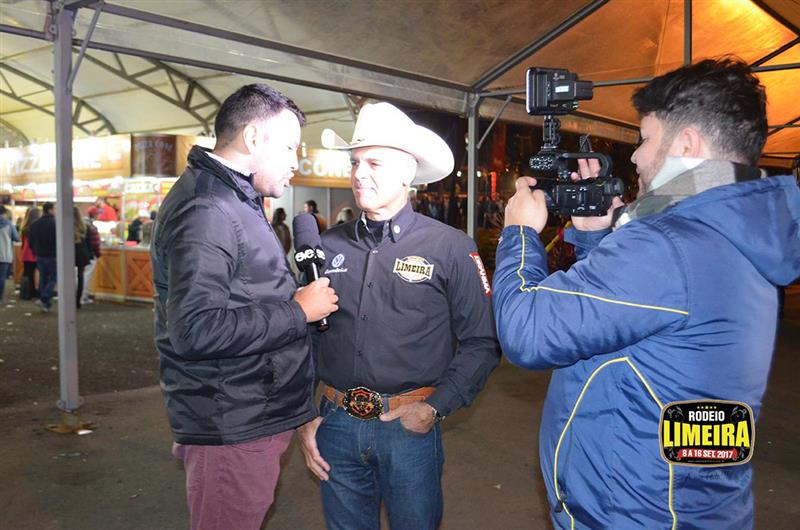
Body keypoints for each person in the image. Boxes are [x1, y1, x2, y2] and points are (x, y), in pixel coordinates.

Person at [492, 58, 800, 529]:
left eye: (645, 138)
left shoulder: (668, 246)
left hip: (632, 514)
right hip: (691, 505)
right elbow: (642, 327)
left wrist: (518, 233)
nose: (635, 157)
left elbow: (527, 332)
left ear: (686, 144)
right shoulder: (736, 232)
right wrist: (597, 238)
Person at [297, 102, 501, 530]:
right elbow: (305, 338)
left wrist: (435, 408)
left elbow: (482, 343)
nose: (359, 174)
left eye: (374, 163)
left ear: (408, 172)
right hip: (335, 423)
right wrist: (304, 415)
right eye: (355, 163)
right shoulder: (326, 247)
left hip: (408, 428)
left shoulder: (450, 247)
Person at [150, 83, 338, 530]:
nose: (296, 161)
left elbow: (245, 298)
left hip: (248, 412)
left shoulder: (233, 199)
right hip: (230, 423)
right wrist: (298, 310)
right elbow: (195, 330)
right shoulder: (208, 208)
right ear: (253, 138)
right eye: (289, 147)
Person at [28, 202, 57, 313]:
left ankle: (46, 304)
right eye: (54, 209)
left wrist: (35, 251)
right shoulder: (55, 223)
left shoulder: (35, 224)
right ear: (50, 210)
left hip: (40, 255)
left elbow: (31, 241)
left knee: (43, 278)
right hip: (53, 254)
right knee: (53, 278)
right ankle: (45, 297)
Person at [19, 206, 41, 300]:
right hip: (34, 252)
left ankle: (26, 292)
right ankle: (35, 291)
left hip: (25, 253)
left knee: (27, 273)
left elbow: (23, 242)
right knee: (37, 273)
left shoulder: (24, 228)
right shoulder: (37, 227)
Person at [81, 208, 101, 305]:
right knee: (87, 275)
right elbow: (95, 243)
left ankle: (78, 296)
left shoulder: (80, 224)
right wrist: (97, 254)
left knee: (79, 275)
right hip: (90, 254)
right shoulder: (92, 227)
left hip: (80, 254)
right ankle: (83, 296)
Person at [0, 206, 20, 303]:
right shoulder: (9, 224)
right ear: (4, 213)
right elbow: (16, 238)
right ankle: (1, 297)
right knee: (2, 277)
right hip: (4, 254)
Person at [73, 206, 92, 309]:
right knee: (81, 276)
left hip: (70, 253)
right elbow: (89, 243)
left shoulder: (65, 226)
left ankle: (69, 298)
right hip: (82, 253)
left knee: (68, 277)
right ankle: (78, 300)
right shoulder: (84, 227)